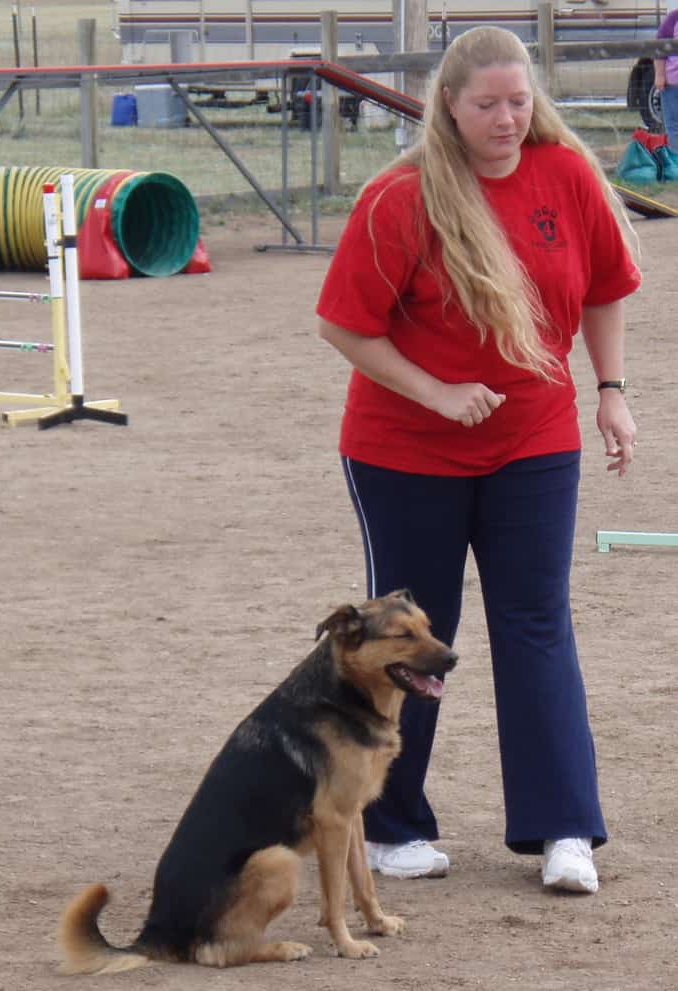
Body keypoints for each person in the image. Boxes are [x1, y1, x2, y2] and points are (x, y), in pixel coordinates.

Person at [316, 25, 641, 895]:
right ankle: (390, 826)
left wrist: (611, 389)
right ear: (449, 107)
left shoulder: (566, 176)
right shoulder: (400, 196)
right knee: (414, 642)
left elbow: (606, 287)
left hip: (533, 440)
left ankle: (563, 827)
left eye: (520, 102)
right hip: (404, 451)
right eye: (488, 104)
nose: (507, 119)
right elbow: (345, 324)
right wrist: (436, 392)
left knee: (537, 623)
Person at [654, 3, 678, 151]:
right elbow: (658, 49)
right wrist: (660, 75)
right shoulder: (673, 19)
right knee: (674, 126)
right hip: (672, 83)